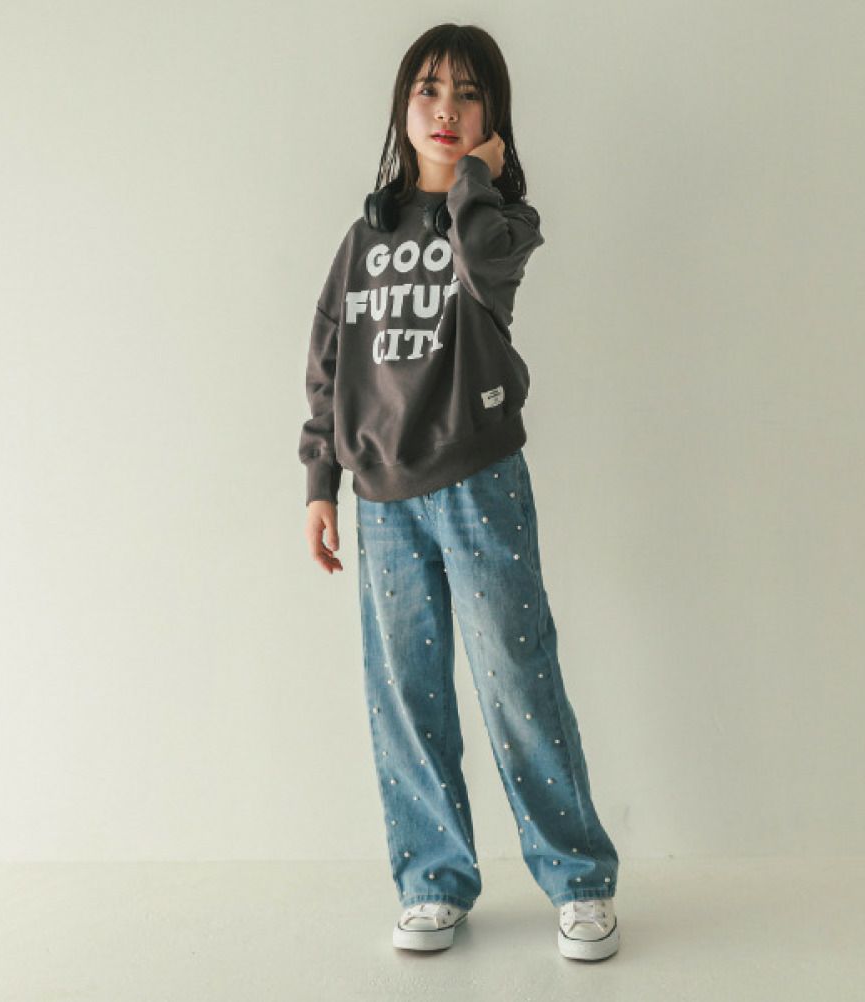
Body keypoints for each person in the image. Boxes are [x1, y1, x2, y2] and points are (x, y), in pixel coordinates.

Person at [299, 23, 620, 961]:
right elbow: (328, 362)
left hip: (480, 482)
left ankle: (579, 880)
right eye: (430, 90)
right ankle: (433, 881)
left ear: (494, 121)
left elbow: (482, 265)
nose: (446, 109)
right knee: (406, 694)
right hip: (382, 499)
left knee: (518, 678)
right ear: (403, 107)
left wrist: (476, 178)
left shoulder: (500, 223)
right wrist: (320, 480)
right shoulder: (365, 236)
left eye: (469, 95)